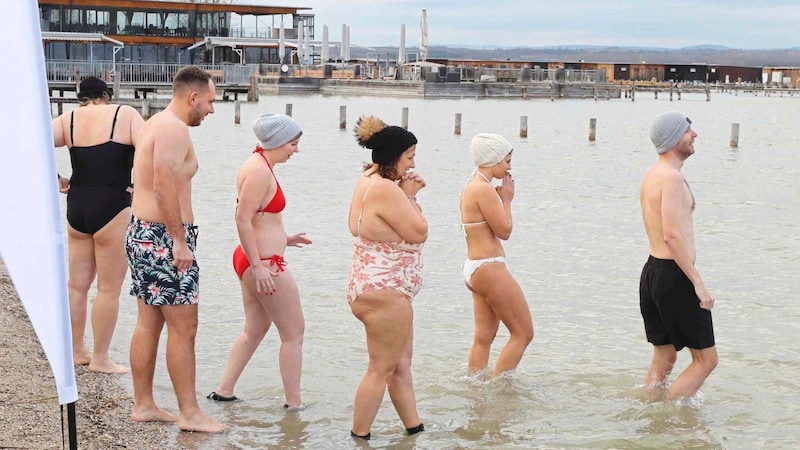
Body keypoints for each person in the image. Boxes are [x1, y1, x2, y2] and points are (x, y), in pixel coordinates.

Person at [125, 65, 225, 433]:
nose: (213, 110)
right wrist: (179, 241)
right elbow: (163, 186)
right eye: (211, 102)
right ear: (193, 97)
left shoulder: (157, 123)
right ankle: (189, 413)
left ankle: (144, 404)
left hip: (145, 232)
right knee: (185, 327)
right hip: (163, 238)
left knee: (149, 321)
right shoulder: (173, 128)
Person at [207, 113, 311, 408]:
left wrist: (286, 238)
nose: (296, 150)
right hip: (264, 264)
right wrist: (257, 266)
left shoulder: (261, 165)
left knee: (255, 329)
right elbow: (242, 219)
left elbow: (261, 218)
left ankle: (224, 390)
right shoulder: (259, 171)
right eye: (293, 144)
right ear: (277, 142)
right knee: (294, 333)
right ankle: (295, 406)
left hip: (257, 259)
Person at [52, 76, 143, 374]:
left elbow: (27, 147)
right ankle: (101, 359)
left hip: (77, 207)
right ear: (106, 95)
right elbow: (149, 152)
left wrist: (57, 180)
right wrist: (139, 187)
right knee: (108, 289)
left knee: (76, 286)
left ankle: (77, 351)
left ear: (81, 96)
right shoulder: (124, 114)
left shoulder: (68, 119)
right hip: (113, 206)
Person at [346, 116, 427, 440]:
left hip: (373, 287)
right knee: (380, 368)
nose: (413, 162)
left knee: (399, 364)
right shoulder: (385, 189)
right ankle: (359, 436)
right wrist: (410, 196)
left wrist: (402, 191)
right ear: (393, 158)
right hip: (384, 293)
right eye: (409, 156)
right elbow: (420, 232)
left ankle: (414, 429)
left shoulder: (368, 178)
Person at [639, 111, 718, 400]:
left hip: (652, 272)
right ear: (673, 140)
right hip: (675, 275)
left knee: (665, 356)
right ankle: (669, 421)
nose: (694, 134)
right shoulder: (671, 178)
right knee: (706, 361)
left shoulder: (652, 174)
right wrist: (697, 282)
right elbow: (672, 235)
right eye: (688, 131)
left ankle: (648, 410)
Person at [459, 133, 533, 377]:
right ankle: (499, 390)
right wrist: (507, 201)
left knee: (483, 338)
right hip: (489, 267)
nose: (510, 167)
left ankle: (476, 390)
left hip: (474, 268)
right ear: (493, 159)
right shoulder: (483, 189)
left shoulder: (471, 184)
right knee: (523, 333)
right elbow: (505, 231)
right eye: (507, 161)